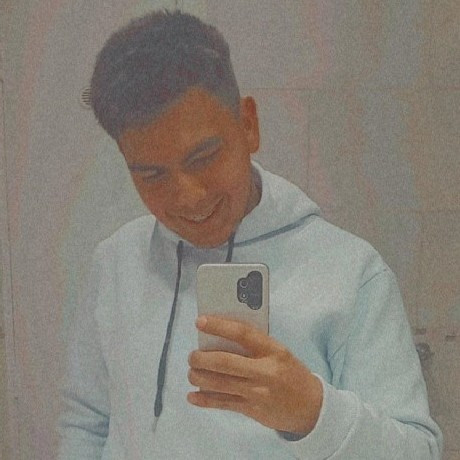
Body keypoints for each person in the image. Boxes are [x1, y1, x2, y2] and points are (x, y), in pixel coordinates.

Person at [57, 9, 443, 459]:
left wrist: (313, 414)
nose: (189, 198)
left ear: (248, 124)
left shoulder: (353, 274)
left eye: (203, 157)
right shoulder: (115, 264)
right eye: (152, 174)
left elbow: (420, 451)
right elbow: (86, 423)